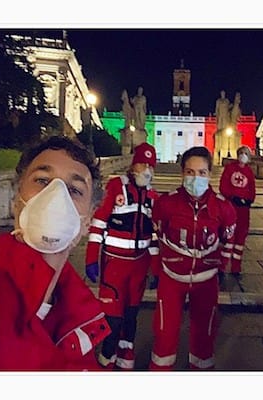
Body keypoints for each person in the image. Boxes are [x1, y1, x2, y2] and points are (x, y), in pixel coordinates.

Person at [0, 136, 110, 371]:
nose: (56, 196)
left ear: (88, 221)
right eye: (43, 181)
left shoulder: (78, 311)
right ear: (17, 201)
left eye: (73, 190)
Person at [149, 146, 237, 370]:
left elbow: (227, 240)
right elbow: (157, 237)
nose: (195, 178)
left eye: (202, 172)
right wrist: (156, 270)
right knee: (164, 334)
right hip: (171, 279)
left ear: (210, 174)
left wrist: (223, 269)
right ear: (182, 173)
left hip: (206, 280)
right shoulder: (165, 204)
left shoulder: (224, 208)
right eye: (190, 172)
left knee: (204, 338)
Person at [84, 142, 160, 370]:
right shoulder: (117, 187)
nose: (145, 170)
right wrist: (91, 259)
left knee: (131, 314)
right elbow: (98, 223)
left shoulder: (152, 197)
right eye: (141, 164)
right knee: (113, 317)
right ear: (132, 165)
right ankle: (107, 354)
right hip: (114, 264)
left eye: (150, 165)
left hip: (139, 265)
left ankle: (126, 348)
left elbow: (153, 235)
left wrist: (155, 268)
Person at [218, 145, 256, 276]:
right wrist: (231, 197)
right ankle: (222, 266)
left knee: (240, 239)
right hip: (231, 206)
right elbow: (223, 185)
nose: (243, 155)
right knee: (228, 237)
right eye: (241, 153)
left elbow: (252, 188)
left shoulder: (249, 171)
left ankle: (236, 268)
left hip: (243, 209)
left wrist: (249, 200)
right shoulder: (230, 168)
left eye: (245, 153)